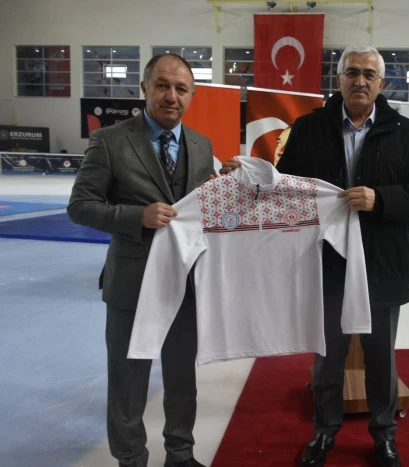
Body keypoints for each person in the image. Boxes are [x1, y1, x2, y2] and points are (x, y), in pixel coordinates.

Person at [223, 44, 409, 467]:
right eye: (352, 72)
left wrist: (379, 199)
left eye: (369, 75)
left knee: (381, 360)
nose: (360, 81)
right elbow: (283, 188)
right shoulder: (308, 128)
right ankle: (324, 432)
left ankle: (384, 435)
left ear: (381, 83)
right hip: (326, 263)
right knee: (328, 359)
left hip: (382, 266)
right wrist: (245, 177)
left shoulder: (407, 132)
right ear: (338, 79)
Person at [67, 53, 215, 467]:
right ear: (145, 88)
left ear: (191, 96)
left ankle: (180, 455)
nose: (172, 96)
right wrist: (137, 217)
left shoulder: (202, 146)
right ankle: (131, 459)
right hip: (132, 284)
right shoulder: (110, 140)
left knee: (182, 379)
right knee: (128, 383)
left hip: (186, 284)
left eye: (181, 89)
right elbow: (80, 206)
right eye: (163, 86)